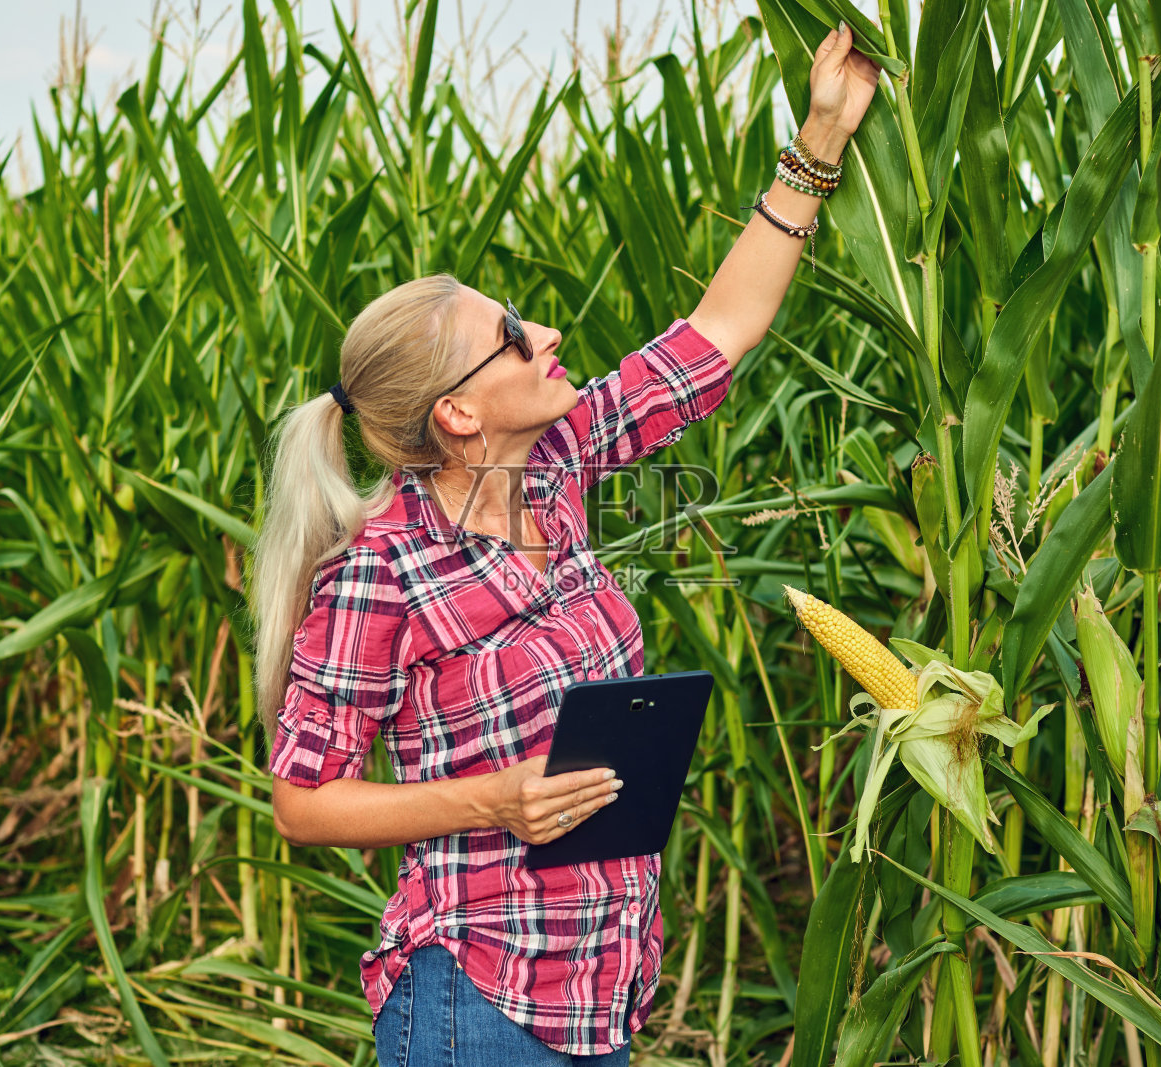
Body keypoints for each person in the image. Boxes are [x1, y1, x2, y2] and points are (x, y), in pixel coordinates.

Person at [249, 25, 878, 1066]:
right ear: (455, 415)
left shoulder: (553, 470)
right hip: (476, 1005)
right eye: (511, 334)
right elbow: (303, 802)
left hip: (598, 996)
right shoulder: (382, 572)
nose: (545, 334)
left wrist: (815, 142)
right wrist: (493, 798)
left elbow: (716, 332)